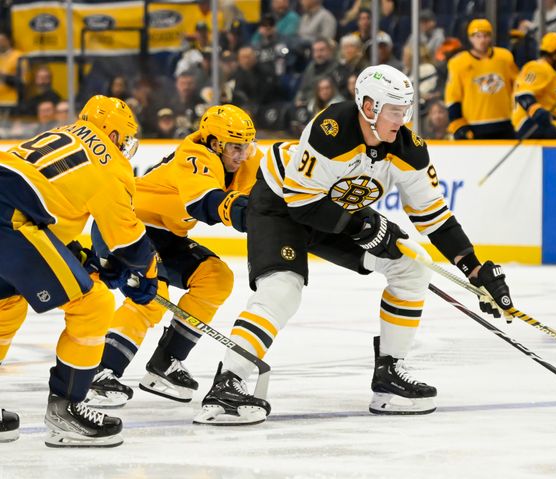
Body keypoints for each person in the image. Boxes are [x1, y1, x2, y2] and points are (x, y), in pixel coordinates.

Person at [193, 65, 515, 425]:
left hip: (332, 210)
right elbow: (302, 203)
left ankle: (389, 376)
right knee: (283, 289)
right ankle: (227, 384)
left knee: (412, 266)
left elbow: (434, 217)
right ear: (368, 106)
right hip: (281, 204)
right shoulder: (332, 130)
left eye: (406, 109)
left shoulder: (408, 149)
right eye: (394, 109)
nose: (402, 118)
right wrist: (364, 224)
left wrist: (474, 268)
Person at [0, 95, 158, 446]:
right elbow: (129, 242)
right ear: (114, 134)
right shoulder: (111, 163)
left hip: (10, 211)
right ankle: (66, 411)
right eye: (125, 139)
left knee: (6, 304)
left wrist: (77, 256)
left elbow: (43, 199)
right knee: (93, 303)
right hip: (7, 222)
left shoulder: (65, 133)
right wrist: (146, 274)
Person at [86, 104, 261, 408]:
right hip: (125, 224)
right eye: (235, 147)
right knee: (154, 294)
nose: (242, 155)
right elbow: (204, 203)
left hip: (166, 236)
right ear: (215, 143)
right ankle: (101, 371)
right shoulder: (193, 156)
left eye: (246, 146)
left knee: (216, 277)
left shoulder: (248, 159)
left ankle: (166, 363)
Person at [445, 19, 518, 140]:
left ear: (490, 37)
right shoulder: (458, 63)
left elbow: (517, 87)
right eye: (477, 36)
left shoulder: (505, 57)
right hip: (474, 126)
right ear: (470, 38)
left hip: (505, 123)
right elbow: (453, 97)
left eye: (485, 36)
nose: (482, 40)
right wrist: (458, 124)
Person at [512, 32, 556, 140]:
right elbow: (523, 93)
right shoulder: (538, 68)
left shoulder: (550, 72)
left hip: (546, 120)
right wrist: (535, 109)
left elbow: (554, 103)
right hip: (531, 122)